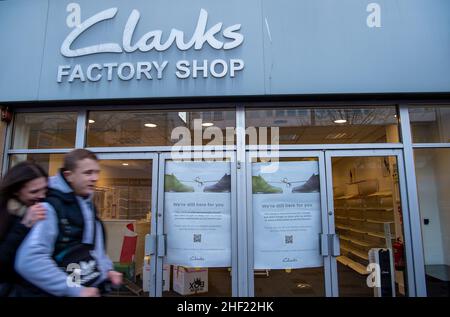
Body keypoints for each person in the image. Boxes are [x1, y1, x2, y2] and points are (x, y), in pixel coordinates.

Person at [15, 149, 122, 297]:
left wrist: (106, 271)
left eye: (97, 172)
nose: (95, 178)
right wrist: (75, 290)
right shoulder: (50, 207)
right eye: (88, 173)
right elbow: (30, 260)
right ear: (68, 175)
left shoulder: (87, 204)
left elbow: (90, 249)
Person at [0, 161, 48, 297]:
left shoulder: (46, 208)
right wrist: (24, 225)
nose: (42, 196)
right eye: (34, 192)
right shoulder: (7, 215)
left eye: (45, 190)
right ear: (16, 191)